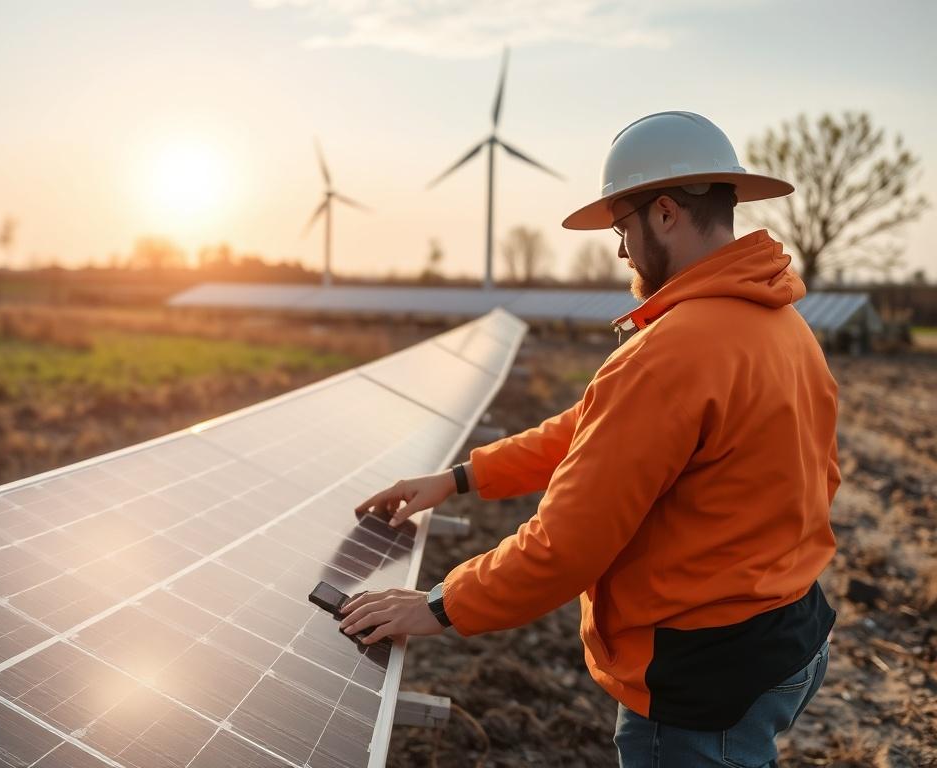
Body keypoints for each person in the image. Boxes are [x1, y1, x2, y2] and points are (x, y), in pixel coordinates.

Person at [339, 111, 839, 767]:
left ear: (664, 214)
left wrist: (438, 605)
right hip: (788, 634)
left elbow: (565, 546)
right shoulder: (779, 325)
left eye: (622, 228)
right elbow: (594, 428)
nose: (622, 251)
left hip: (701, 677)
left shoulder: (675, 351)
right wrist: (463, 477)